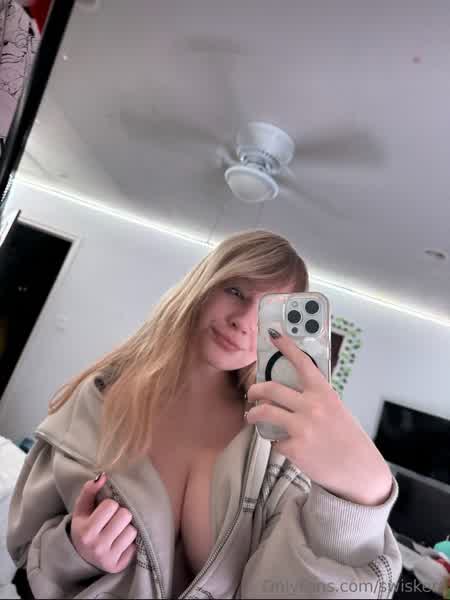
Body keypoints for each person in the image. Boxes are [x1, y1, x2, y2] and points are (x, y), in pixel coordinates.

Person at [7, 229, 402, 599]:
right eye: (235, 291)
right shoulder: (100, 398)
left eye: (267, 313)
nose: (242, 321)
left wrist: (359, 501)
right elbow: (26, 548)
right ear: (204, 284)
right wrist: (75, 551)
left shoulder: (276, 446)